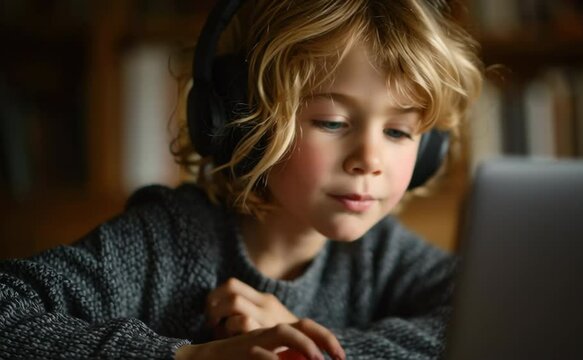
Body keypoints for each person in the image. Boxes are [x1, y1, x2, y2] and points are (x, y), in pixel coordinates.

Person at [0, 0, 482, 359]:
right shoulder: (166, 242)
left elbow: (492, 317)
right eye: (333, 123)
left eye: (399, 131)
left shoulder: (383, 255)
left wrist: (313, 343)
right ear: (242, 119)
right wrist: (187, 357)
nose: (369, 160)